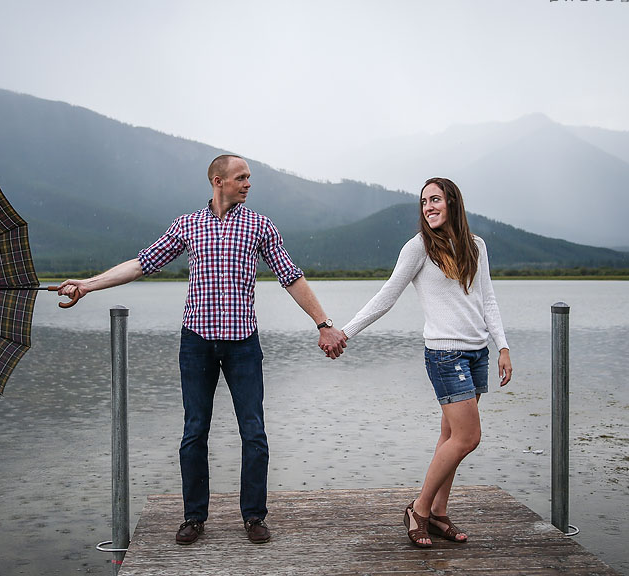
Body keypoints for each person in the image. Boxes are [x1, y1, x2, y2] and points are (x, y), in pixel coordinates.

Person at [56, 154, 347, 545]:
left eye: (249, 178)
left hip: (243, 343)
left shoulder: (260, 226)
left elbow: (290, 277)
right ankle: (194, 517)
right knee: (194, 432)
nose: (248, 183)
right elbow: (142, 264)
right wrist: (88, 284)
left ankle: (254, 516)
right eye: (241, 177)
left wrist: (324, 324)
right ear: (218, 181)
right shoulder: (188, 224)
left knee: (254, 432)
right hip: (196, 342)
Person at [338, 177, 512, 548]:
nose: (429, 207)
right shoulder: (418, 248)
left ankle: (438, 512)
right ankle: (418, 509)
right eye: (423, 202)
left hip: (477, 352)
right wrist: (345, 333)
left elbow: (489, 300)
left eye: (435, 199)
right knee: (468, 436)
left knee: (451, 437)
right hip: (444, 355)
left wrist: (503, 346)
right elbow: (387, 296)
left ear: (452, 202)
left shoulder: (476, 246)